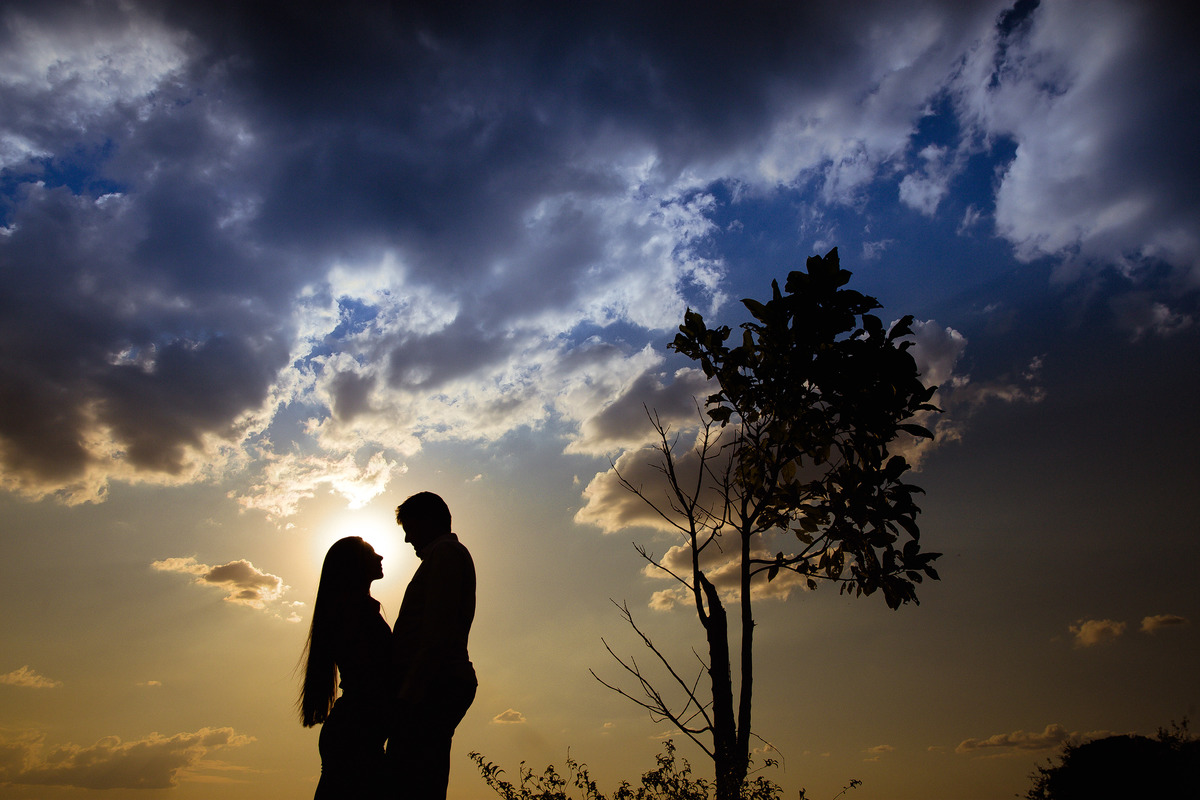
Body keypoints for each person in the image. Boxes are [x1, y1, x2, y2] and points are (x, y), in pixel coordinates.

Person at [387, 491, 477, 800]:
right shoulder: (443, 556)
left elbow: (436, 633)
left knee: (415, 779)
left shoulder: (446, 555)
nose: (407, 539)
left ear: (427, 521)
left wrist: (408, 695)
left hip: (433, 685)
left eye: (409, 528)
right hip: (433, 683)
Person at [299, 536, 391, 799]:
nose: (380, 557)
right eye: (372, 553)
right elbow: (373, 674)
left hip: (356, 730)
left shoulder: (354, 610)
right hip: (357, 733)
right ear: (356, 566)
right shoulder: (356, 613)